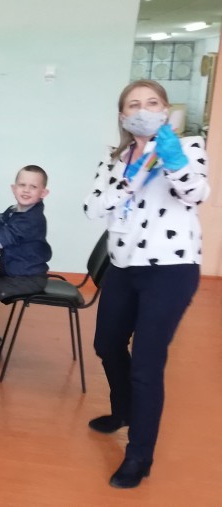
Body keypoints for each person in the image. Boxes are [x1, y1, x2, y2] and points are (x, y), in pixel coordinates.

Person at [82, 79, 209, 489]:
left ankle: (139, 456)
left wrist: (172, 160)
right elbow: (92, 207)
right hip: (123, 266)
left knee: (146, 364)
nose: (143, 110)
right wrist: (128, 181)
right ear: (123, 116)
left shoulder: (187, 147)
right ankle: (123, 410)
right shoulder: (114, 159)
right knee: (107, 345)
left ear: (165, 110)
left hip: (171, 269)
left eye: (152, 103)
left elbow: (195, 194)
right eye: (134, 104)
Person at [0, 165, 52, 306]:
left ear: (43, 193)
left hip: (28, 277)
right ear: (14, 189)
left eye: (33, 187)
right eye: (22, 185)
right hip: (9, 270)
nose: (26, 190)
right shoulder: (13, 210)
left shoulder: (31, 219)